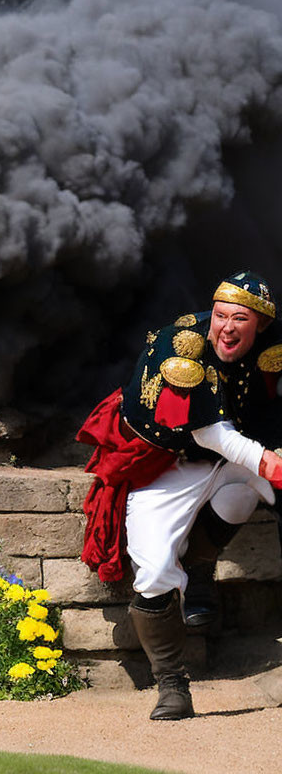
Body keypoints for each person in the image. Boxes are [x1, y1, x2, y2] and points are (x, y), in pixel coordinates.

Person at [77, 270, 282, 720]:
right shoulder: (181, 345)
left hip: (230, 461)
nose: (226, 327)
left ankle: (201, 565)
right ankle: (172, 685)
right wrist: (269, 462)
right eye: (221, 315)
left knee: (246, 495)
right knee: (151, 573)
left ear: (261, 325)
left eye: (240, 319)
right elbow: (209, 432)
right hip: (168, 465)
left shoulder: (275, 344)